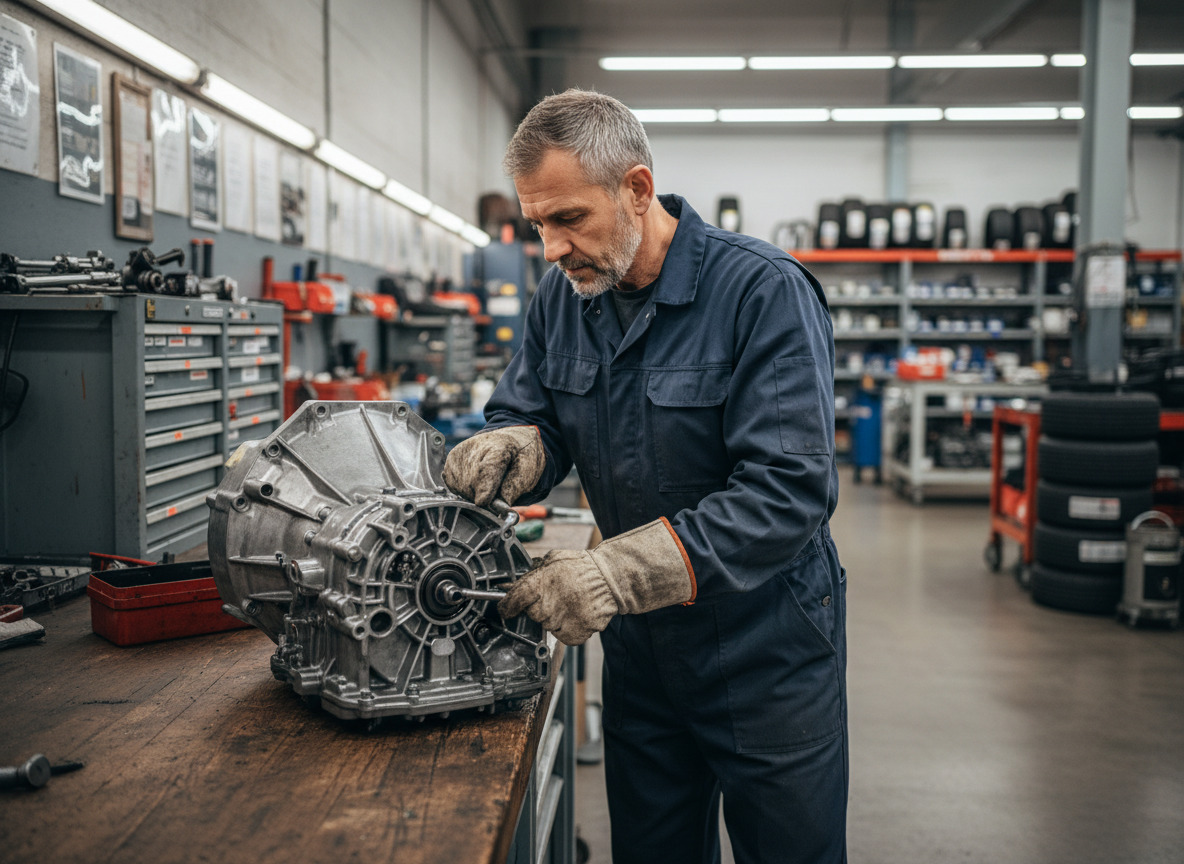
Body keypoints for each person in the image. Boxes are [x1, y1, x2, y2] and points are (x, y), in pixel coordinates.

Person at [444, 89, 846, 864]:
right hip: (645, 652)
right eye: (537, 226)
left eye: (569, 220)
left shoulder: (762, 292)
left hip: (770, 651)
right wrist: (519, 445)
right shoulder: (565, 299)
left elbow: (786, 490)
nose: (552, 249)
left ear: (635, 189)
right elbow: (534, 412)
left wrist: (611, 577)